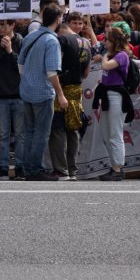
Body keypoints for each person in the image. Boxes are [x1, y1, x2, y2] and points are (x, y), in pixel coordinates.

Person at [17, 3, 67, 181]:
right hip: (43, 92)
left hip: (27, 90)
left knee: (29, 131)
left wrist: (28, 79)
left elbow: (20, 64)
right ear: (58, 19)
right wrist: (61, 94)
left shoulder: (31, 36)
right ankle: (35, 168)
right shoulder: (52, 41)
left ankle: (28, 168)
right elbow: (52, 72)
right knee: (41, 133)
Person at [48, 21, 91, 180]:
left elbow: (55, 65)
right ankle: (72, 170)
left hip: (62, 88)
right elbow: (86, 73)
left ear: (61, 31)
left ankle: (60, 169)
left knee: (58, 128)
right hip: (77, 89)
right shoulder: (86, 42)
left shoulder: (62, 40)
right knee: (73, 127)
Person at [0, 20, 25, 180]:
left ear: (13, 25)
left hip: (19, 95)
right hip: (1, 96)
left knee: (20, 134)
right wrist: (1, 50)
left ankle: (20, 167)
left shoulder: (21, 42)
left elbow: (22, 67)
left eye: (5, 25)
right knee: (3, 134)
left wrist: (9, 51)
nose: (1, 28)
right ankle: (2, 167)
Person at [92, 27, 134, 181]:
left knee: (115, 133)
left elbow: (106, 66)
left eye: (108, 40)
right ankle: (114, 165)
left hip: (116, 96)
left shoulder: (122, 55)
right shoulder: (112, 55)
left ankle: (117, 168)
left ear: (114, 41)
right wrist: (104, 56)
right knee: (105, 132)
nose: (105, 42)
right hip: (106, 95)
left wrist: (104, 56)